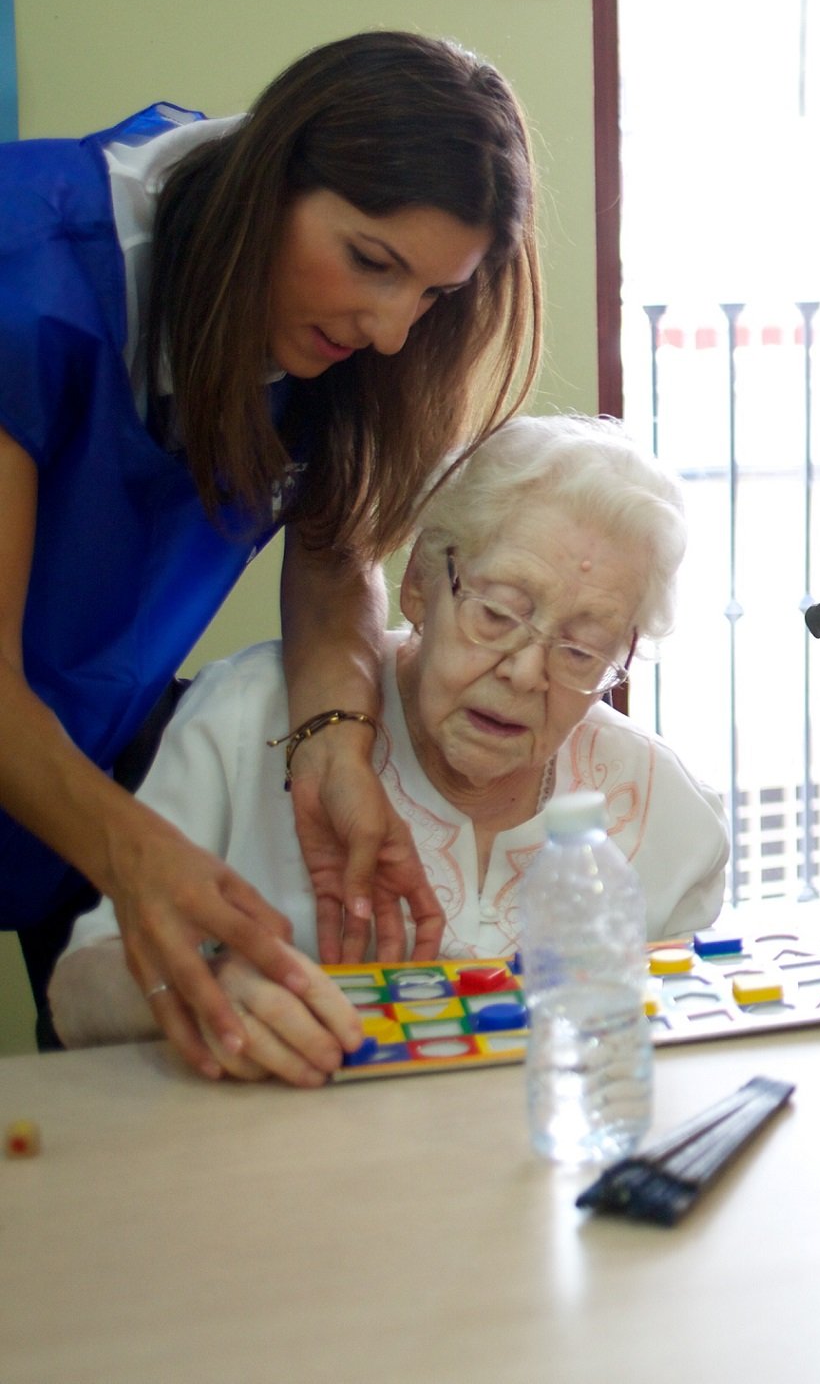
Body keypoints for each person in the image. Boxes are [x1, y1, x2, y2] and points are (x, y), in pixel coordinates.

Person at [0, 32, 543, 1071]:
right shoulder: (29, 276)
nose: (390, 329)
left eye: (430, 294)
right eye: (372, 262)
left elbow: (336, 553)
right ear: (270, 178)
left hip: (79, 748)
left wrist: (332, 738)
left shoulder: (338, 340)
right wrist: (138, 852)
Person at [48, 415, 729, 1085]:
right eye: (496, 613)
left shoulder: (667, 812)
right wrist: (209, 991)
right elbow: (77, 993)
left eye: (582, 650)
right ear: (419, 584)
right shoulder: (247, 717)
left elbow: (682, 1064)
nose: (526, 672)